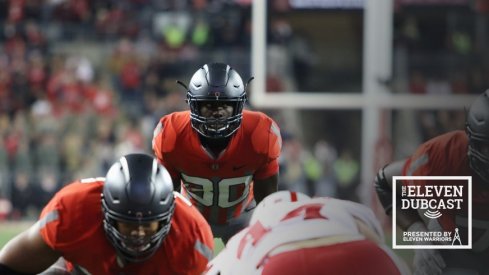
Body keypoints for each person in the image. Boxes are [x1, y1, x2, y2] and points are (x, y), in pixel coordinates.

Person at [0, 153, 214, 274]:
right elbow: (9, 266)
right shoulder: (73, 211)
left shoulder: (192, 238)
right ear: (105, 213)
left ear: (169, 218)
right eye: (128, 224)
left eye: (148, 225)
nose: (138, 235)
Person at [152, 62, 282, 242]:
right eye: (209, 105)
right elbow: (166, 202)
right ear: (193, 105)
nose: (218, 113)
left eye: (225, 104)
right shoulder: (172, 135)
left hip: (244, 218)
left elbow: (268, 205)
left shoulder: (259, 134)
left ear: (239, 106)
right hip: (191, 217)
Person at [375, 91, 489, 274]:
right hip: (454, 246)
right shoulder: (443, 158)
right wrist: (418, 233)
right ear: (473, 142)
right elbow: (385, 182)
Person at [205, 191, 410, 275]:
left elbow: (216, 269)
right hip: (360, 251)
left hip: (284, 261)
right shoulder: (332, 205)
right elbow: (374, 239)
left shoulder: (255, 230)